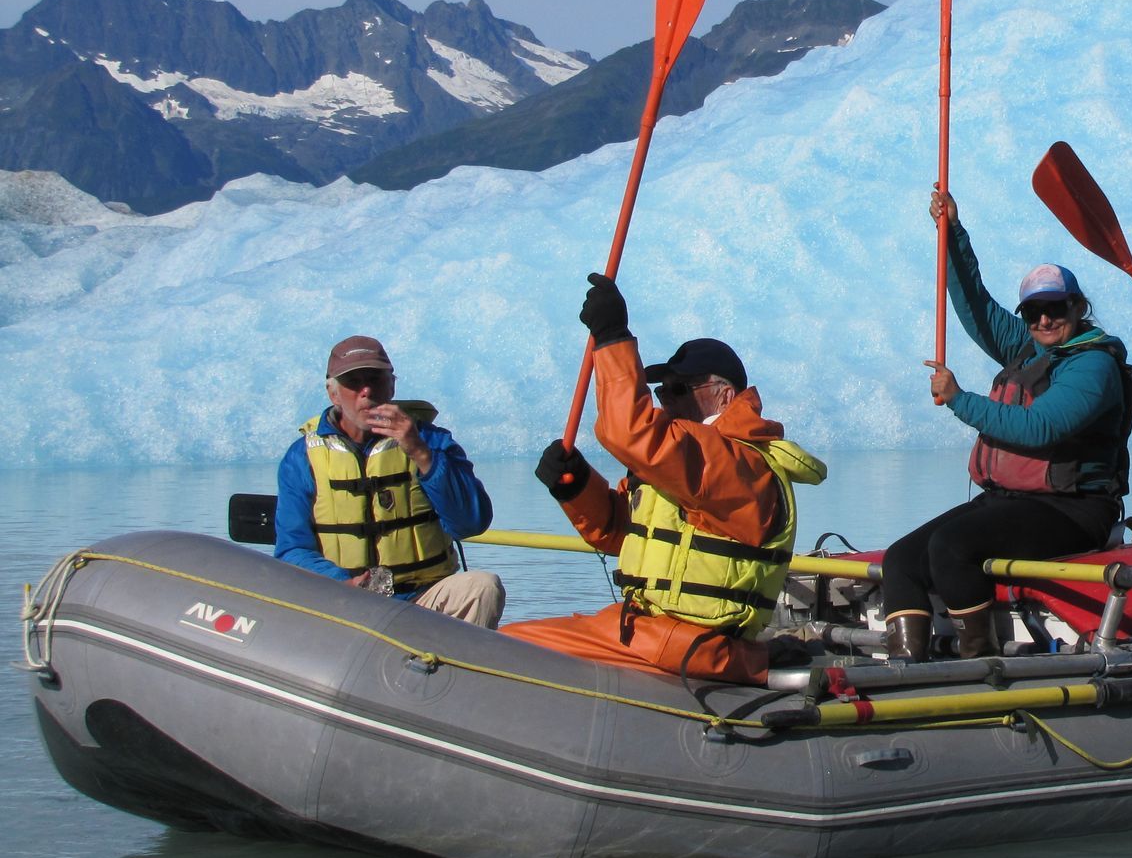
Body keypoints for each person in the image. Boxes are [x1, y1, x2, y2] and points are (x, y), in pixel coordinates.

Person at [511, 273, 827, 684]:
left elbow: (630, 431)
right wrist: (574, 485)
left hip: (683, 644)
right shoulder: (687, 464)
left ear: (724, 395)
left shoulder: (741, 466)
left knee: (507, 647)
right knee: (507, 643)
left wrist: (612, 338)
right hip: (650, 631)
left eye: (678, 388)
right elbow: (618, 533)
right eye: (662, 391)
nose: (666, 400)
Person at [880, 189, 1132, 662]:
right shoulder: (1029, 347)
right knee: (900, 559)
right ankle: (904, 668)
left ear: (1078, 307)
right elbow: (977, 307)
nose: (1044, 318)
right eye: (1034, 311)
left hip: (1074, 510)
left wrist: (959, 400)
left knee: (953, 546)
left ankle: (979, 662)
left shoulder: (1092, 365)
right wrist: (952, 234)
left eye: (1055, 308)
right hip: (1013, 501)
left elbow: (1040, 427)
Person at [275, 334, 503, 627]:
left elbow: (471, 523)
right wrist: (343, 583)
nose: (366, 391)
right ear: (333, 393)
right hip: (343, 601)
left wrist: (420, 452)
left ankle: (458, 668)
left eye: (375, 379)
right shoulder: (301, 458)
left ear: (392, 385)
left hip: (423, 598)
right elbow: (291, 549)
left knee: (483, 587)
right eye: (353, 382)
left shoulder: (433, 441)